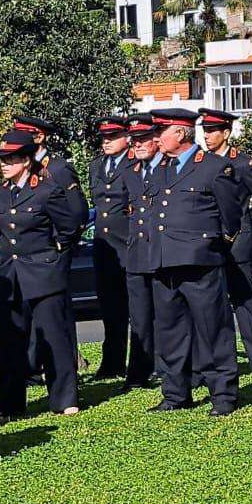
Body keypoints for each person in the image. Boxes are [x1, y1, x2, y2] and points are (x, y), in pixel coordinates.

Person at [147, 107, 243, 416]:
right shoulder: (159, 168)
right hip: (163, 261)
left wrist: (216, 246)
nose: (155, 138)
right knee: (170, 331)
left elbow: (230, 217)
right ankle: (175, 393)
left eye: (160, 132)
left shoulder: (213, 167)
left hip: (199, 260)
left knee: (213, 329)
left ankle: (223, 395)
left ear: (179, 133)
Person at [0, 128, 84, 418]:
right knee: (11, 340)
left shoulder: (46, 190)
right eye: (1, 160)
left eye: (10, 159)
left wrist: (51, 257)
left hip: (43, 273)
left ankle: (64, 398)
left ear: (26, 161)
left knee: (54, 337)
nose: (3, 164)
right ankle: (10, 403)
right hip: (11, 276)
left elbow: (68, 229)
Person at [198, 108, 252, 383]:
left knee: (246, 306)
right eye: (204, 130)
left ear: (226, 133)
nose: (207, 136)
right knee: (211, 308)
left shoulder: (240, 163)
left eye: (212, 131)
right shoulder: (201, 162)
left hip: (237, 243)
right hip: (208, 243)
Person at [113, 114, 161, 391]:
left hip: (161, 252)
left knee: (167, 317)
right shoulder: (130, 172)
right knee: (139, 318)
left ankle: (168, 369)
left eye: (144, 139)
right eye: (135, 140)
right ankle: (139, 372)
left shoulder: (167, 168)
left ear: (157, 139)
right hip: (137, 253)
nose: (139, 145)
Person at [87, 116, 134, 380]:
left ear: (127, 138)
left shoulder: (134, 164)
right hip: (105, 249)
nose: (106, 141)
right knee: (110, 309)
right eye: (104, 137)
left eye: (112, 136)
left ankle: (142, 363)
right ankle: (112, 363)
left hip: (128, 243)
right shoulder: (97, 166)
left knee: (137, 311)